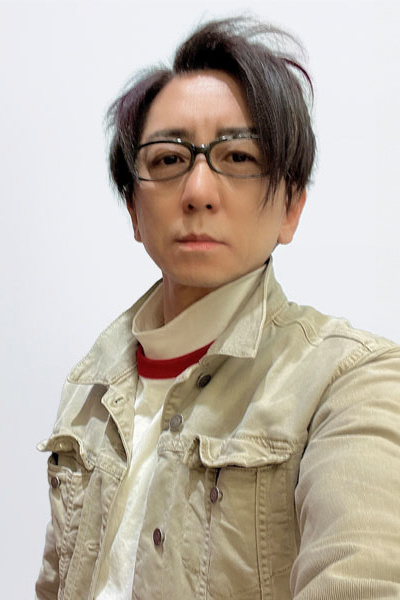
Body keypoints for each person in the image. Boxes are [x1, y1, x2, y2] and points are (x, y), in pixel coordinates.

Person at [35, 16, 400, 600]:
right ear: (132, 208)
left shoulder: (352, 382)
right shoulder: (90, 388)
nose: (199, 192)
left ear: (291, 207)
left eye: (238, 157)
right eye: (167, 159)